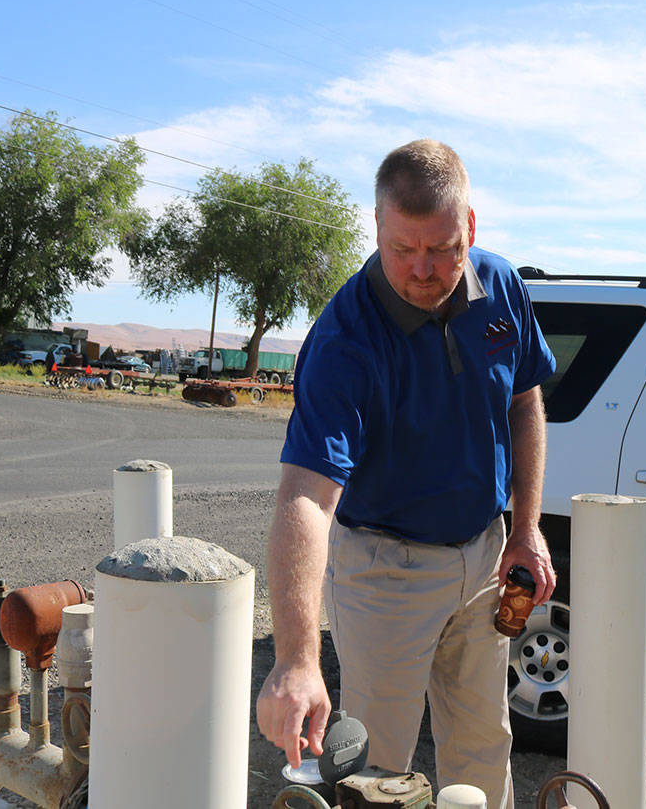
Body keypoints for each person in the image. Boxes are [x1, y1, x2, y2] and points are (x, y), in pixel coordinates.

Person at [256, 139, 557, 809]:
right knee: (376, 767)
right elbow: (305, 497)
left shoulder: (502, 287)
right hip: (384, 570)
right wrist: (297, 658)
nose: (424, 269)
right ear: (377, 228)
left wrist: (526, 529)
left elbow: (525, 400)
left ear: (470, 228)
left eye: (444, 248)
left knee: (484, 745)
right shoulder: (345, 342)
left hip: (484, 556)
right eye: (403, 249)